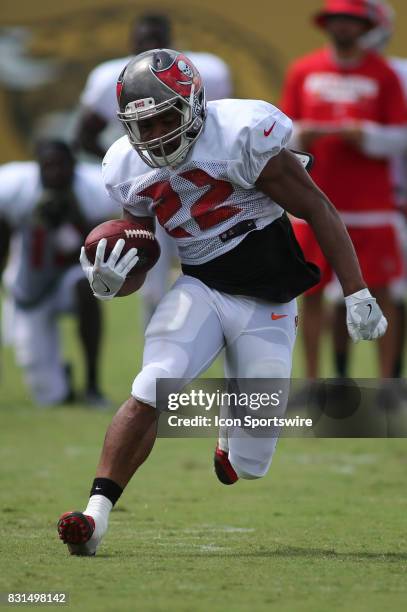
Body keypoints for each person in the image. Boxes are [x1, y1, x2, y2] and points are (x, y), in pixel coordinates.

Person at [57, 49, 387, 556]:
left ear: (192, 104)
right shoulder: (126, 165)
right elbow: (138, 255)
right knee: (152, 385)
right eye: (141, 126)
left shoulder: (241, 134)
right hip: (201, 288)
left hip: (267, 299)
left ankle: (230, 440)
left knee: (251, 463)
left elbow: (318, 207)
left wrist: (357, 291)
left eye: (166, 118)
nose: (154, 136)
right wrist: (110, 282)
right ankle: (94, 515)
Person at [76, 12, 233, 325]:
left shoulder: (203, 72)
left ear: (170, 42)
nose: (149, 45)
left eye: (156, 39)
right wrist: (133, 160)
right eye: (143, 40)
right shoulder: (112, 80)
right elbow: (82, 135)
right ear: (130, 43)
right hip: (152, 186)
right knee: (151, 278)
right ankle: (161, 340)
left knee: (219, 263)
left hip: (202, 182)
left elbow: (222, 124)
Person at [280, 0, 407, 380]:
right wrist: (304, 132)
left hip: (372, 207)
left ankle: (386, 384)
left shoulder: (383, 74)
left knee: (383, 293)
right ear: (326, 23)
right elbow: (282, 133)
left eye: (352, 20)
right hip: (313, 202)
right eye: (338, 19)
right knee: (311, 293)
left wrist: (364, 136)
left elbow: (400, 137)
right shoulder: (303, 69)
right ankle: (313, 381)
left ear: (365, 26)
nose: (344, 27)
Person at [0, 140, 117, 406]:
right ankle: (61, 379)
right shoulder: (14, 189)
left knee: (86, 286)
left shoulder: (93, 190)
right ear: (37, 168)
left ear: (74, 166)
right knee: (49, 396)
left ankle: (92, 384)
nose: (55, 172)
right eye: (48, 166)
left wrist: (74, 223)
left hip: (68, 279)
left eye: (62, 165)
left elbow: (104, 250)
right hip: (30, 289)